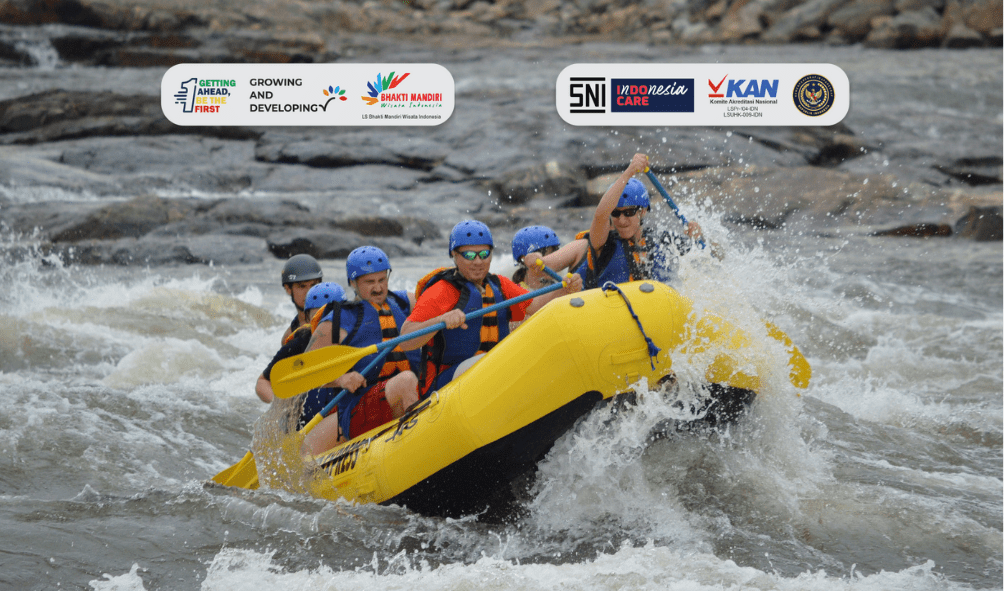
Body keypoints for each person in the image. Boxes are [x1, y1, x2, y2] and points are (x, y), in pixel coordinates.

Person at [398, 220, 583, 396]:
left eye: (484, 254)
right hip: (444, 384)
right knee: (494, 361)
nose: (478, 261)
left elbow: (535, 305)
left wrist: (565, 290)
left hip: (492, 375)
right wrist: (440, 319)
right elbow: (405, 339)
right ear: (454, 256)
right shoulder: (441, 291)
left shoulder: (499, 284)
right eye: (469, 255)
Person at [301, 246, 422, 455]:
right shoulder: (340, 320)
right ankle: (418, 447)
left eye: (382, 280)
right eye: (369, 282)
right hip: (361, 407)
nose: (378, 288)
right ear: (353, 283)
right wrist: (341, 379)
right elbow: (306, 370)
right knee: (407, 380)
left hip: (403, 396)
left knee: (411, 380)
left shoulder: (405, 303)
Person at [525, 153, 708, 289]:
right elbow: (600, 215)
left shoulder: (663, 240)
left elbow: (713, 259)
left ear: (643, 212)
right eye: (616, 213)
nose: (621, 220)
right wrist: (629, 172)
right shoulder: (602, 243)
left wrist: (700, 238)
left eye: (629, 212)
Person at [255, 282, 346, 405]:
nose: (326, 324)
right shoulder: (300, 342)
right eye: (318, 318)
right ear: (308, 318)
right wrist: (280, 405)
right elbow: (263, 382)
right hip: (309, 407)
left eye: (331, 317)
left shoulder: (359, 335)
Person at [279, 253, 324, 345]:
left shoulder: (337, 317)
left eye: (313, 285)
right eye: (302, 286)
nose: (309, 292)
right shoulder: (289, 338)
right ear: (288, 289)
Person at [510, 225, 563, 289]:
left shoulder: (558, 284)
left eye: (555, 257)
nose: (554, 263)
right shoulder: (516, 292)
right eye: (548, 257)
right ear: (524, 259)